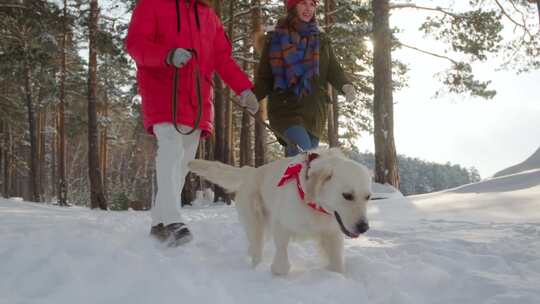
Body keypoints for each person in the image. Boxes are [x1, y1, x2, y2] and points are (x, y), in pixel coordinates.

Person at [125, 0, 259, 246]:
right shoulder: (152, 5)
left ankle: (158, 221)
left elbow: (222, 58)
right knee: (171, 150)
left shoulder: (209, 16)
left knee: (184, 162)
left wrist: (244, 89)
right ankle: (173, 220)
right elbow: (135, 44)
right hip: (163, 91)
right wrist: (167, 55)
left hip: (197, 98)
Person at [253, 0, 356, 156]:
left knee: (306, 169)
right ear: (293, 6)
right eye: (303, 3)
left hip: (314, 113)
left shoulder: (321, 40)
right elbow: (265, 77)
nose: (308, 8)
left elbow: (334, 69)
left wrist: (345, 86)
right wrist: (252, 96)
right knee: (304, 157)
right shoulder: (276, 38)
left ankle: (284, 181)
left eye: (312, 4)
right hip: (286, 109)